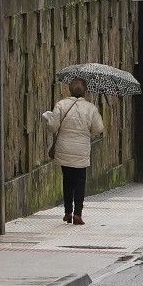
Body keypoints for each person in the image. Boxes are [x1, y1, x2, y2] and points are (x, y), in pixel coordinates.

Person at [42, 78, 104, 225]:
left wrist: (49, 118)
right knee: (80, 182)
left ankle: (67, 212)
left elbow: (53, 127)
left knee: (67, 180)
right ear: (85, 91)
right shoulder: (91, 108)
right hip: (81, 149)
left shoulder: (61, 105)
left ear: (69, 90)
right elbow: (98, 129)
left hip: (64, 148)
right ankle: (78, 213)